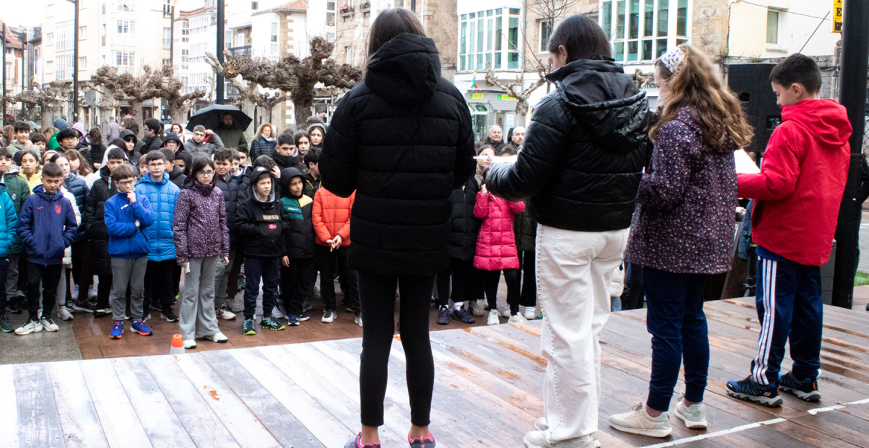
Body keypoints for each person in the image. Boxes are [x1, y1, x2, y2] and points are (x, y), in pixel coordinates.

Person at [484, 15, 650, 448]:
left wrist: (492, 173)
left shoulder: (558, 104)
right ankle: (567, 421)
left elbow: (526, 178)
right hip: (614, 230)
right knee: (587, 331)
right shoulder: (634, 98)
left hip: (568, 233)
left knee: (565, 334)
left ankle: (573, 433)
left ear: (564, 53)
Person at [319, 9, 475, 448]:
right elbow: (462, 169)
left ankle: (369, 437)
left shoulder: (358, 99)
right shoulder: (450, 96)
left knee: (377, 337)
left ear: (376, 44)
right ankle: (421, 432)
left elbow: (336, 181)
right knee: (418, 334)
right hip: (428, 232)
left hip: (375, 236)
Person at [610, 44, 753, 437]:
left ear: (675, 82)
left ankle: (654, 414)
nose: (658, 92)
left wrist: (629, 180)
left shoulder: (676, 128)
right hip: (707, 245)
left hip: (671, 246)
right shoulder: (717, 124)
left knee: (666, 328)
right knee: (693, 320)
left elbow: (664, 191)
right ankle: (692, 405)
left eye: (659, 85)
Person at [725, 54, 852, 407]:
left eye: (779, 94)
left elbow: (778, 185)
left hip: (782, 235)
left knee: (773, 309)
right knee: (809, 305)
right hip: (815, 234)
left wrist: (734, 181)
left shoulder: (790, 130)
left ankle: (763, 378)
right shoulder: (839, 132)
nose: (777, 102)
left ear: (795, 90)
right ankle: (805, 375)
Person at [173, 156, 230, 349]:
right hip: (192, 252)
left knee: (208, 290)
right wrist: (182, 255)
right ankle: (187, 332)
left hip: (213, 250)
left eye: (209, 171)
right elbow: (179, 226)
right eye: (202, 172)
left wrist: (225, 248)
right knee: (190, 292)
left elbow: (223, 223)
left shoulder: (218, 193)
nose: (206, 176)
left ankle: (209, 328)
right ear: (194, 173)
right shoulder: (186, 194)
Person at [15, 162, 77, 335]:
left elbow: (72, 226)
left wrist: (63, 242)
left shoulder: (64, 202)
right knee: (33, 287)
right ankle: (32, 320)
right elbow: (23, 225)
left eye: (56, 181)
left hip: (56, 254)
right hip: (35, 254)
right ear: (42, 180)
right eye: (49, 180)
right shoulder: (32, 200)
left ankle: (47, 317)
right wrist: (32, 241)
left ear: (61, 181)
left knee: (50, 288)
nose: (53, 184)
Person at [234, 167, 289, 334]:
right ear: (255, 185)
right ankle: (249, 319)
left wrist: (276, 229)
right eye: (263, 183)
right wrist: (260, 229)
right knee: (251, 288)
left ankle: (267, 317)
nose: (267, 186)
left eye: (269, 183)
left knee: (271, 287)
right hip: (254, 254)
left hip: (273, 254)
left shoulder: (278, 204)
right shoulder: (247, 205)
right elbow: (238, 225)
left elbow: (286, 224)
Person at [105, 164, 155, 339]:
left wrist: (135, 204)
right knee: (119, 289)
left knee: (138, 289)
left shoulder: (142, 199)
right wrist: (133, 226)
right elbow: (112, 228)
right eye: (124, 182)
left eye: (131, 181)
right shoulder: (111, 203)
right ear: (116, 183)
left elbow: (148, 220)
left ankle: (137, 320)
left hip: (140, 252)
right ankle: (118, 320)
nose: (129, 185)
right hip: (120, 253)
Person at [435, 149, 483, 325]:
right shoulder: (446, 182)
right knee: (443, 274)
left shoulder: (473, 184)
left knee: (461, 274)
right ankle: (443, 307)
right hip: (447, 239)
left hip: (466, 239)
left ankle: (458, 307)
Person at [475, 166, 525, 325]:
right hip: (489, 243)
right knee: (491, 278)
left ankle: (514, 312)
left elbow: (520, 207)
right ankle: (493, 311)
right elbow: (479, 213)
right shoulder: (484, 196)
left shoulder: (507, 194)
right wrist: (483, 194)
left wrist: (509, 191)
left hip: (506, 242)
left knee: (512, 277)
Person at [136, 151, 181, 323]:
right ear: (147, 167)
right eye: (152, 164)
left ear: (166, 165)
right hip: (146, 243)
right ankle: (144, 309)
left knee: (167, 280)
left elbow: (178, 216)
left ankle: (167, 308)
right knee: (146, 280)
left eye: (159, 163)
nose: (156, 167)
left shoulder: (174, 189)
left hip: (167, 242)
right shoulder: (139, 188)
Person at [83, 148, 127, 317]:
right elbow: (89, 207)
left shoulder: (128, 183)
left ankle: (120, 305)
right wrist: (91, 227)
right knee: (104, 271)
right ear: (107, 163)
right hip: (101, 234)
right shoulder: (99, 183)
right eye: (112, 162)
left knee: (121, 272)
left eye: (119, 162)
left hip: (121, 233)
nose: (116, 165)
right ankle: (102, 303)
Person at [312, 186, 359, 323]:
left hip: (345, 242)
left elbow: (353, 215)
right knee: (326, 277)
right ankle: (329, 309)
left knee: (353, 277)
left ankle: (360, 311)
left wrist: (340, 235)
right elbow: (316, 217)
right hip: (325, 243)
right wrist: (326, 238)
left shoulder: (351, 192)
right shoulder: (320, 193)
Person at [279, 167, 316, 326]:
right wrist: (283, 252)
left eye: (299, 182)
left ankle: (295, 308)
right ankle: (291, 311)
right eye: (293, 184)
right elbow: (281, 231)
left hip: (308, 251)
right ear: (287, 186)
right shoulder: (282, 203)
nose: (298, 187)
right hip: (291, 253)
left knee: (304, 282)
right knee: (289, 282)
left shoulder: (309, 200)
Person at [0, 148, 30, 315]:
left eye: (7, 159)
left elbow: (25, 211)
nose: (4, 161)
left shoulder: (19, 183)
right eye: (0, 158)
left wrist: (14, 236)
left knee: (12, 269)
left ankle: (11, 297)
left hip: (12, 236)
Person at [212, 149, 241, 321]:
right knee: (217, 270)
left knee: (227, 270)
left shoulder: (236, 182)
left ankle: (219, 305)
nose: (221, 167)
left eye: (225, 163)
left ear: (232, 165)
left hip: (233, 235)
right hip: (216, 236)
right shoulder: (211, 182)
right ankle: (209, 307)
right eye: (218, 163)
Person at [0, 176, 18, 332]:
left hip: (1, 251)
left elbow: (12, 222)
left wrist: (7, 242)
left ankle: (1, 316)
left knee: (0, 287)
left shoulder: (4, 197)